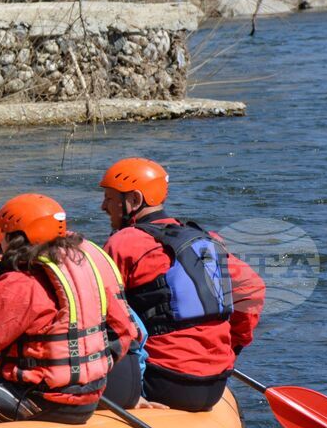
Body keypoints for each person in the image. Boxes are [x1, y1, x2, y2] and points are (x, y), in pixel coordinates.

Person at [99, 157, 266, 412]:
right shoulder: (208, 241)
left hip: (163, 384)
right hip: (215, 384)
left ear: (133, 200)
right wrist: (232, 346)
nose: (103, 207)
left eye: (109, 199)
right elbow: (251, 290)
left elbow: (100, 311)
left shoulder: (124, 243)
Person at [0, 194, 138, 424]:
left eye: (5, 236)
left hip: (42, 401)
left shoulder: (21, 280)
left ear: (15, 237)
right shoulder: (85, 264)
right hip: (88, 396)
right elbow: (125, 330)